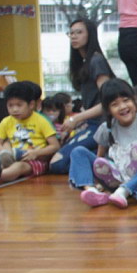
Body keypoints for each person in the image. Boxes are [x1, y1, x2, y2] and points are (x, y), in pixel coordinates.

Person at [68, 79, 137, 208]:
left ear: (134, 100)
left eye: (126, 100)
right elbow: (99, 159)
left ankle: (125, 190)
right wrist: (99, 183)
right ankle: (91, 191)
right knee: (78, 152)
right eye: (115, 104)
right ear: (108, 109)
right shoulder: (106, 128)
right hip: (116, 181)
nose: (122, 107)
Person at [50, 18, 114, 174]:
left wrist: (75, 119)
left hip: (102, 126)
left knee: (57, 163)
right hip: (91, 125)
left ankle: (109, 160)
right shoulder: (85, 62)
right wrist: (78, 123)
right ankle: (106, 157)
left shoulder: (96, 60)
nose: (74, 36)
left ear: (90, 35)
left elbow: (108, 101)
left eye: (79, 32)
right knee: (56, 162)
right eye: (71, 33)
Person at [0, 81, 60, 188]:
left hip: (35, 160)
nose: (14, 109)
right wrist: (4, 152)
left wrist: (36, 153)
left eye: (19, 105)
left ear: (31, 104)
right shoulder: (6, 121)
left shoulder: (41, 121)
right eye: (10, 105)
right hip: (13, 157)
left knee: (18, 167)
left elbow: (55, 146)